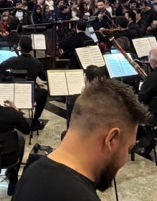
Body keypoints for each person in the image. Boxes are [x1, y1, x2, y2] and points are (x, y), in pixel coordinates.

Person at [12, 78, 148, 200]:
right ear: (111, 139)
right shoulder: (82, 197)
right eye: (128, 149)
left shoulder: (31, 172)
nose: (125, 159)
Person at [0, 35, 48, 127]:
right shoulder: (37, 63)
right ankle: (35, 120)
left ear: (19, 47)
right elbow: (44, 78)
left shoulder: (12, 60)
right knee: (44, 93)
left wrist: (5, 79)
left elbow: (0, 67)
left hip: (13, 91)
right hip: (30, 93)